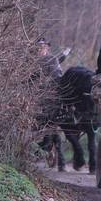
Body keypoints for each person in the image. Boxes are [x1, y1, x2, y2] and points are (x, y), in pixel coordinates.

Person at [35, 38, 66, 172]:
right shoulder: (29, 63)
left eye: (43, 47)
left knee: (51, 126)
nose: (40, 49)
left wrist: (46, 87)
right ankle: (46, 151)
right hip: (32, 100)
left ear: (47, 48)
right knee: (48, 128)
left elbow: (57, 77)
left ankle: (59, 160)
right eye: (38, 47)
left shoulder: (52, 60)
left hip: (50, 99)